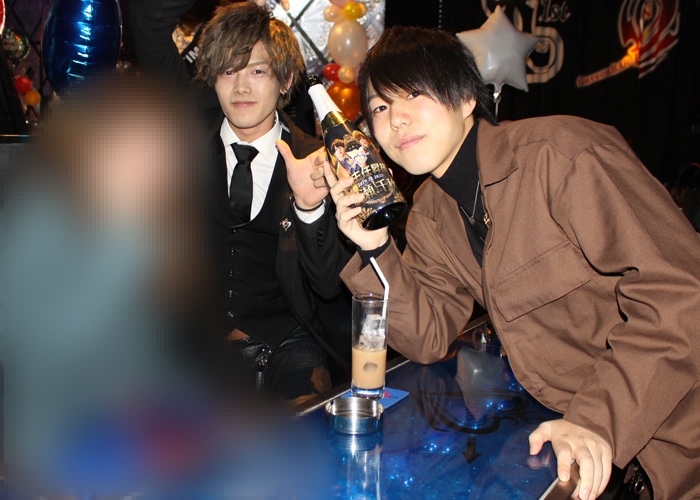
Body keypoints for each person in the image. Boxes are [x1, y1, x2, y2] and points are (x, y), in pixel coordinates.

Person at [325, 27, 700, 500]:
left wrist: (596, 419)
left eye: (414, 94)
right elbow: (426, 336)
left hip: (677, 432)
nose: (397, 118)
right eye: (380, 107)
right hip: (579, 444)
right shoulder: (430, 211)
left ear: (466, 97)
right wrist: (374, 246)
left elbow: (682, 294)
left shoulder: (562, 154)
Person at [130, 0, 351, 404]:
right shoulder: (186, 132)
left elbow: (328, 285)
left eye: (257, 71)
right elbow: (147, 17)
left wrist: (310, 209)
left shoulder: (315, 160)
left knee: (305, 431)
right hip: (196, 345)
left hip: (289, 343)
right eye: (228, 71)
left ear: (285, 80)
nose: (241, 87)